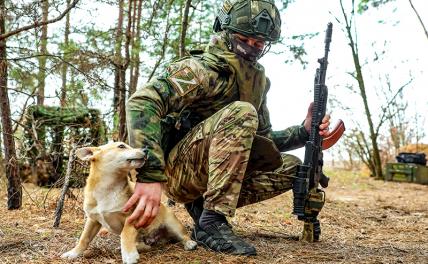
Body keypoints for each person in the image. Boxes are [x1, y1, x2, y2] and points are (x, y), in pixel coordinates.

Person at [123, 0, 331, 256]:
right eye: (245, 39)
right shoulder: (201, 69)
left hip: (216, 176)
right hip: (179, 175)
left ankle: (205, 210)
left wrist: (303, 131)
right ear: (226, 32)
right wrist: (150, 176)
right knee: (242, 112)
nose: (252, 48)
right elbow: (142, 103)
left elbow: (261, 141)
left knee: (297, 168)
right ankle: (212, 221)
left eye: (259, 43)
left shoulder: (257, 82)